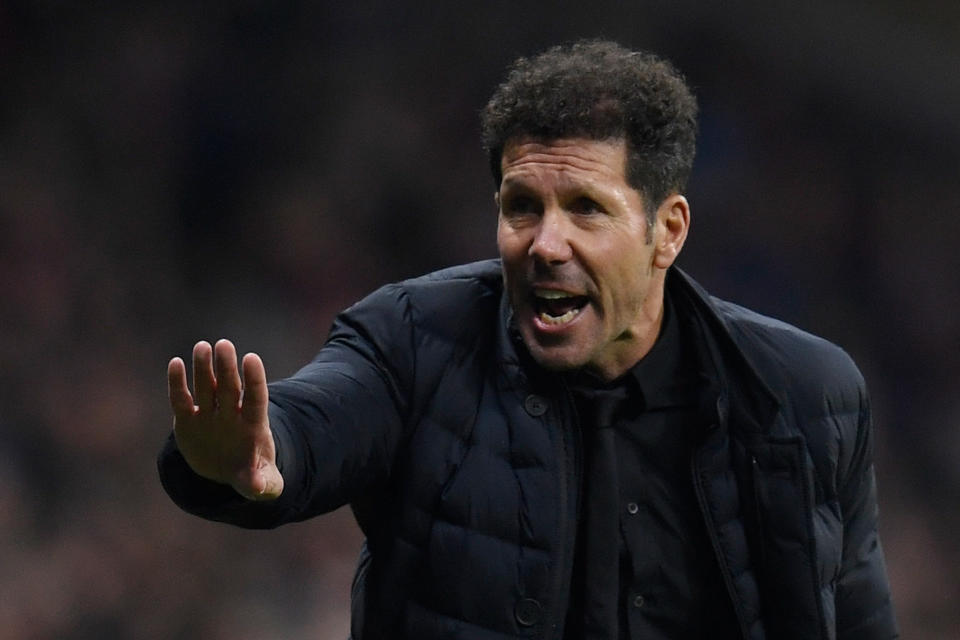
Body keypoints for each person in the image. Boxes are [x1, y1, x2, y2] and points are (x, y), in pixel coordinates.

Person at [158, 40, 898, 639]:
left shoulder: (806, 396)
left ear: (666, 230)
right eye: (522, 206)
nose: (546, 243)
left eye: (585, 209)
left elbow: (857, 615)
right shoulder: (416, 341)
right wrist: (254, 454)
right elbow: (317, 417)